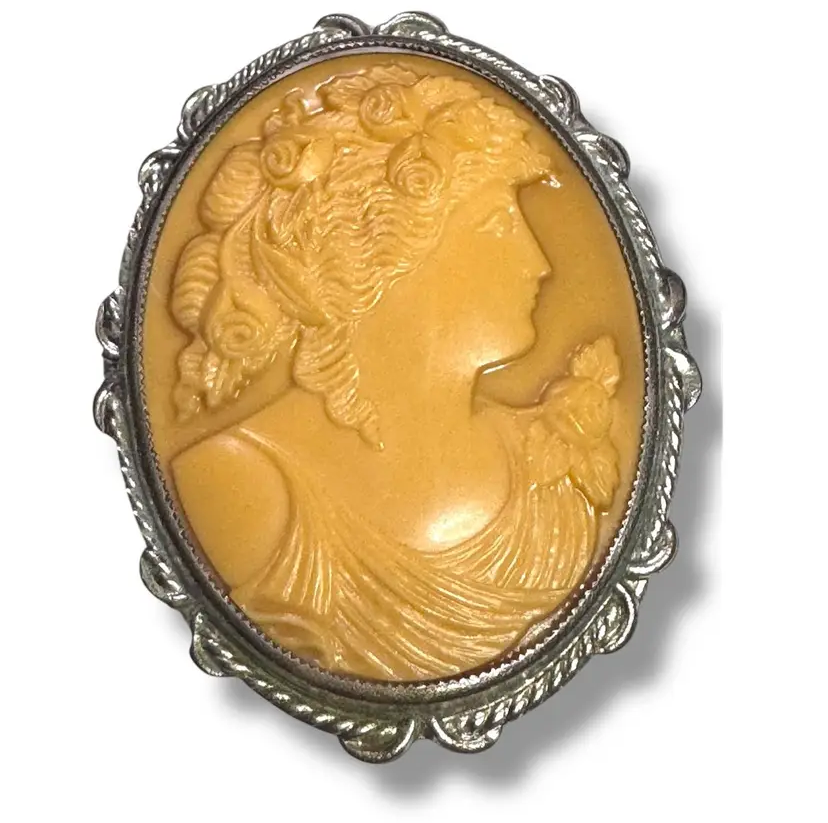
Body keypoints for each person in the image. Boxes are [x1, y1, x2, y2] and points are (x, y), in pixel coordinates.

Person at [170, 64, 622, 680]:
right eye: (495, 224)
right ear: (373, 256)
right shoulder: (239, 481)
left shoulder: (551, 467)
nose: (538, 262)